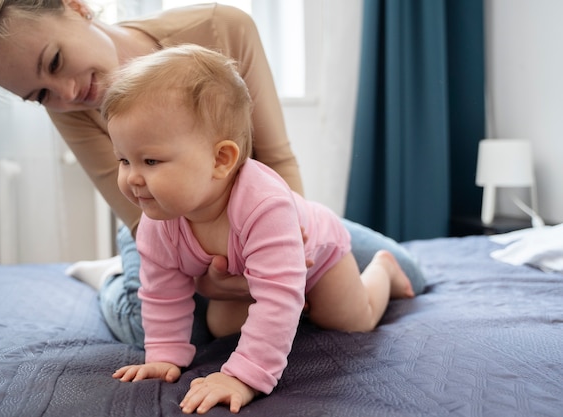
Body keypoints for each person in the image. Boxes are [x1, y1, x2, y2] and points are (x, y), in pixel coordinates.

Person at [0, 0, 426, 349]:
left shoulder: (222, 28)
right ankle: (113, 279)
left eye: (54, 62)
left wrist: (288, 249)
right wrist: (212, 282)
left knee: (408, 274)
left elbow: (276, 160)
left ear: (76, 8)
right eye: (40, 95)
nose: (68, 92)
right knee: (166, 332)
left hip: (255, 214)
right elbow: (144, 216)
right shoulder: (71, 105)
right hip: (161, 220)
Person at [103, 44, 415, 414]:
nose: (132, 178)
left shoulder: (264, 206)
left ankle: (382, 270)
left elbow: (278, 295)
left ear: (221, 159)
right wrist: (164, 354)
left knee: (351, 321)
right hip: (248, 277)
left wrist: (243, 376)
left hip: (314, 257)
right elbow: (161, 293)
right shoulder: (159, 219)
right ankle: (295, 315)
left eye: (150, 160)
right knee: (221, 327)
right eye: (124, 159)